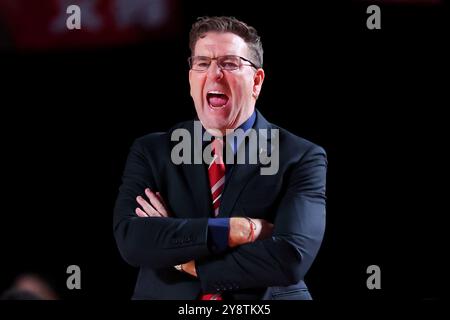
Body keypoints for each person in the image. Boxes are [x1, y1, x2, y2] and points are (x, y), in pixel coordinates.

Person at [113, 16, 327, 300]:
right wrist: (234, 229)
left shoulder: (299, 156)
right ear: (191, 78)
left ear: (256, 81)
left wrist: (181, 259)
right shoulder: (152, 151)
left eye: (229, 63)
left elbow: (289, 258)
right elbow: (133, 240)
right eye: (202, 63)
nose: (214, 74)